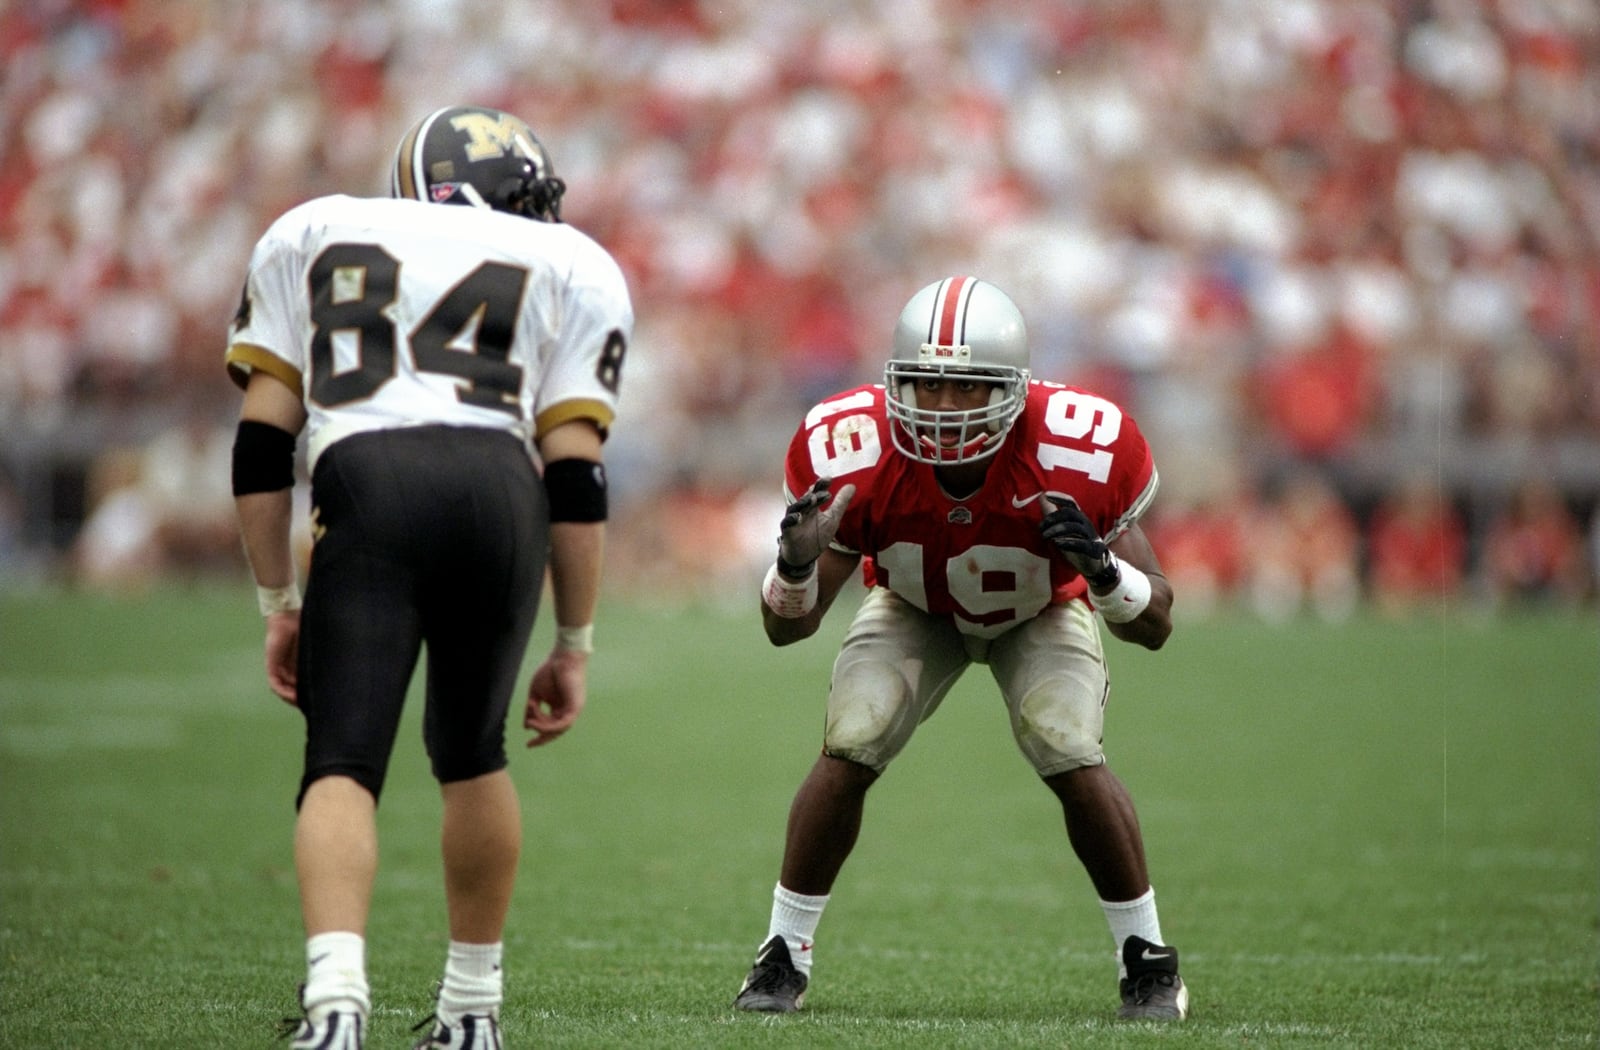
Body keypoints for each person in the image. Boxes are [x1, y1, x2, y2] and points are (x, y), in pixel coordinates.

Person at [226, 104, 633, 1050]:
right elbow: (574, 472)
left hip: (368, 482)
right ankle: (471, 1012)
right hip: (502, 492)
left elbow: (259, 446)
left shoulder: (316, 228)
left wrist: (276, 603)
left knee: (343, 758)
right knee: (473, 751)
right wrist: (574, 643)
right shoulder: (576, 264)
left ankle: (335, 1004)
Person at [732, 276, 1188, 1021]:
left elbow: (1158, 623)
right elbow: (789, 626)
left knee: (1068, 746)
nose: (941, 408)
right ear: (895, 381)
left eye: (966, 388)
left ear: (1012, 388)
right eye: (925, 385)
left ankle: (1148, 958)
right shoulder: (856, 448)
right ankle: (783, 953)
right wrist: (794, 564)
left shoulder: (1076, 447)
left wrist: (1106, 573)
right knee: (852, 738)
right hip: (916, 607)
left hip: (1041, 609)